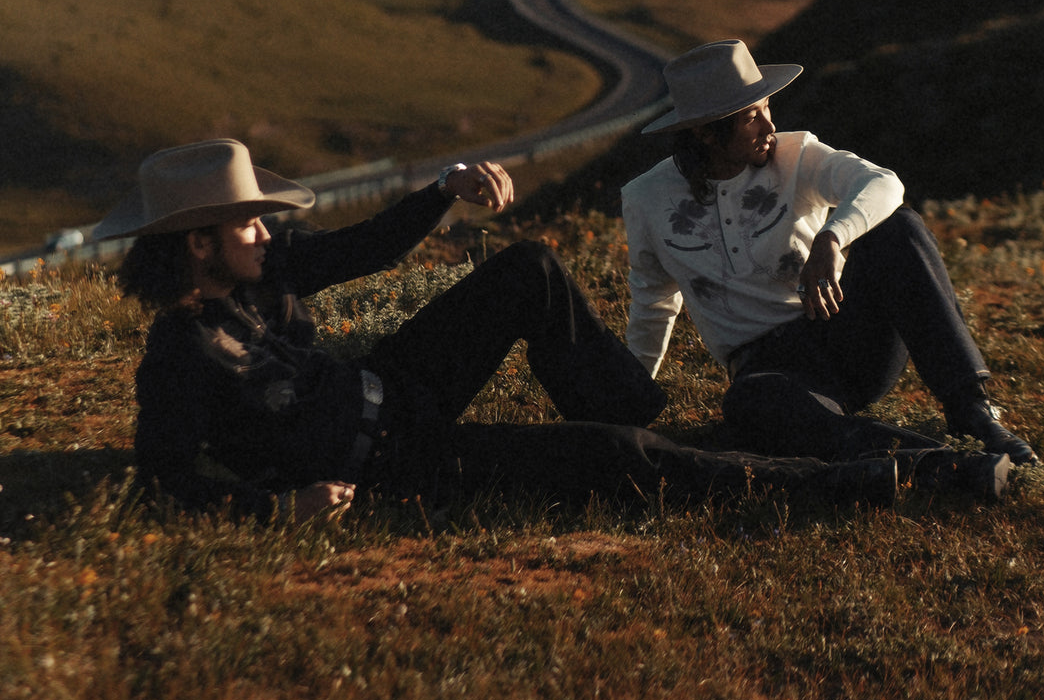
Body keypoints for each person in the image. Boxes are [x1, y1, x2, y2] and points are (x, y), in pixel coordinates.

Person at [96, 138, 902, 524]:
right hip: (391, 459)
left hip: (395, 384)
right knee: (606, 459)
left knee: (528, 271)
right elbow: (164, 476)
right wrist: (281, 509)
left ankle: (644, 413)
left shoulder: (266, 273)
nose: (268, 234)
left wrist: (445, 185)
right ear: (199, 243)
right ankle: (829, 480)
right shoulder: (179, 356)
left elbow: (364, 247)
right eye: (249, 225)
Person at [622, 40, 1038, 502]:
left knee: (896, 227)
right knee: (749, 403)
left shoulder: (797, 154)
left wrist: (832, 237)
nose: (769, 125)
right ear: (704, 133)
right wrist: (627, 407)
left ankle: (974, 415)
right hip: (772, 374)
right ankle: (940, 462)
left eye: (766, 107)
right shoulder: (646, 199)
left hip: (841, 330)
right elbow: (653, 302)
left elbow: (884, 183)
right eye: (750, 117)